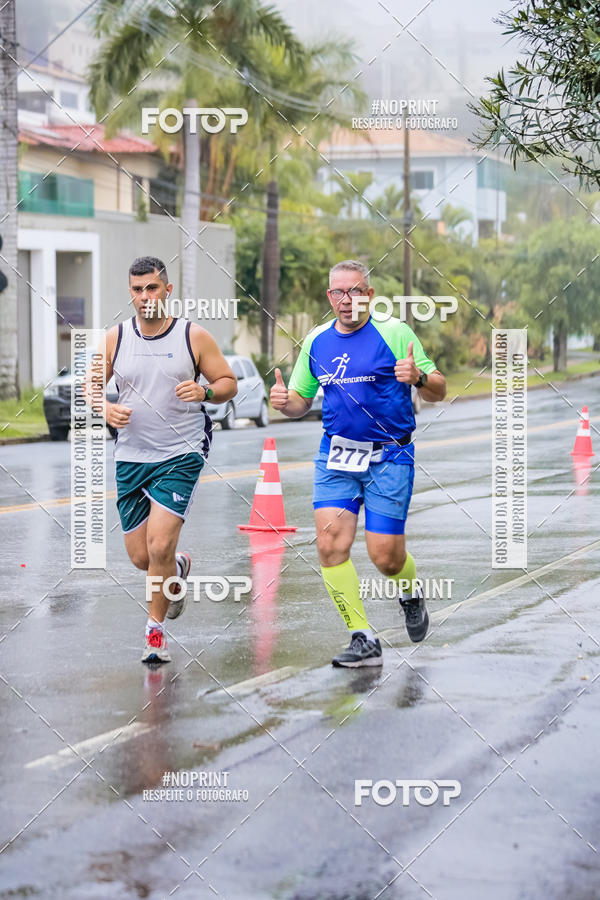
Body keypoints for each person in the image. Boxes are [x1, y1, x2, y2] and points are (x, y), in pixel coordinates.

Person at [270, 260, 446, 667]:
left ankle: (409, 591)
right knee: (330, 545)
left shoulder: (395, 333)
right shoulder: (316, 342)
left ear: (369, 294)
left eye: (354, 292)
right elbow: (300, 399)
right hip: (336, 456)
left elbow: (439, 388)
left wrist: (418, 378)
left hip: (390, 455)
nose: (345, 301)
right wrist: (286, 404)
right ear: (329, 297)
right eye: (337, 293)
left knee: (386, 557)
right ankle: (362, 637)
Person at [90, 256, 237, 664]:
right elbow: (90, 386)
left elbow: (228, 382)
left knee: (158, 545)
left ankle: (155, 632)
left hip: (181, 452)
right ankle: (178, 568)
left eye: (151, 288)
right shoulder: (115, 338)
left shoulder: (193, 336)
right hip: (131, 455)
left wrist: (205, 393)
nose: (144, 297)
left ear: (167, 290)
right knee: (142, 557)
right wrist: (104, 408)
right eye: (137, 290)